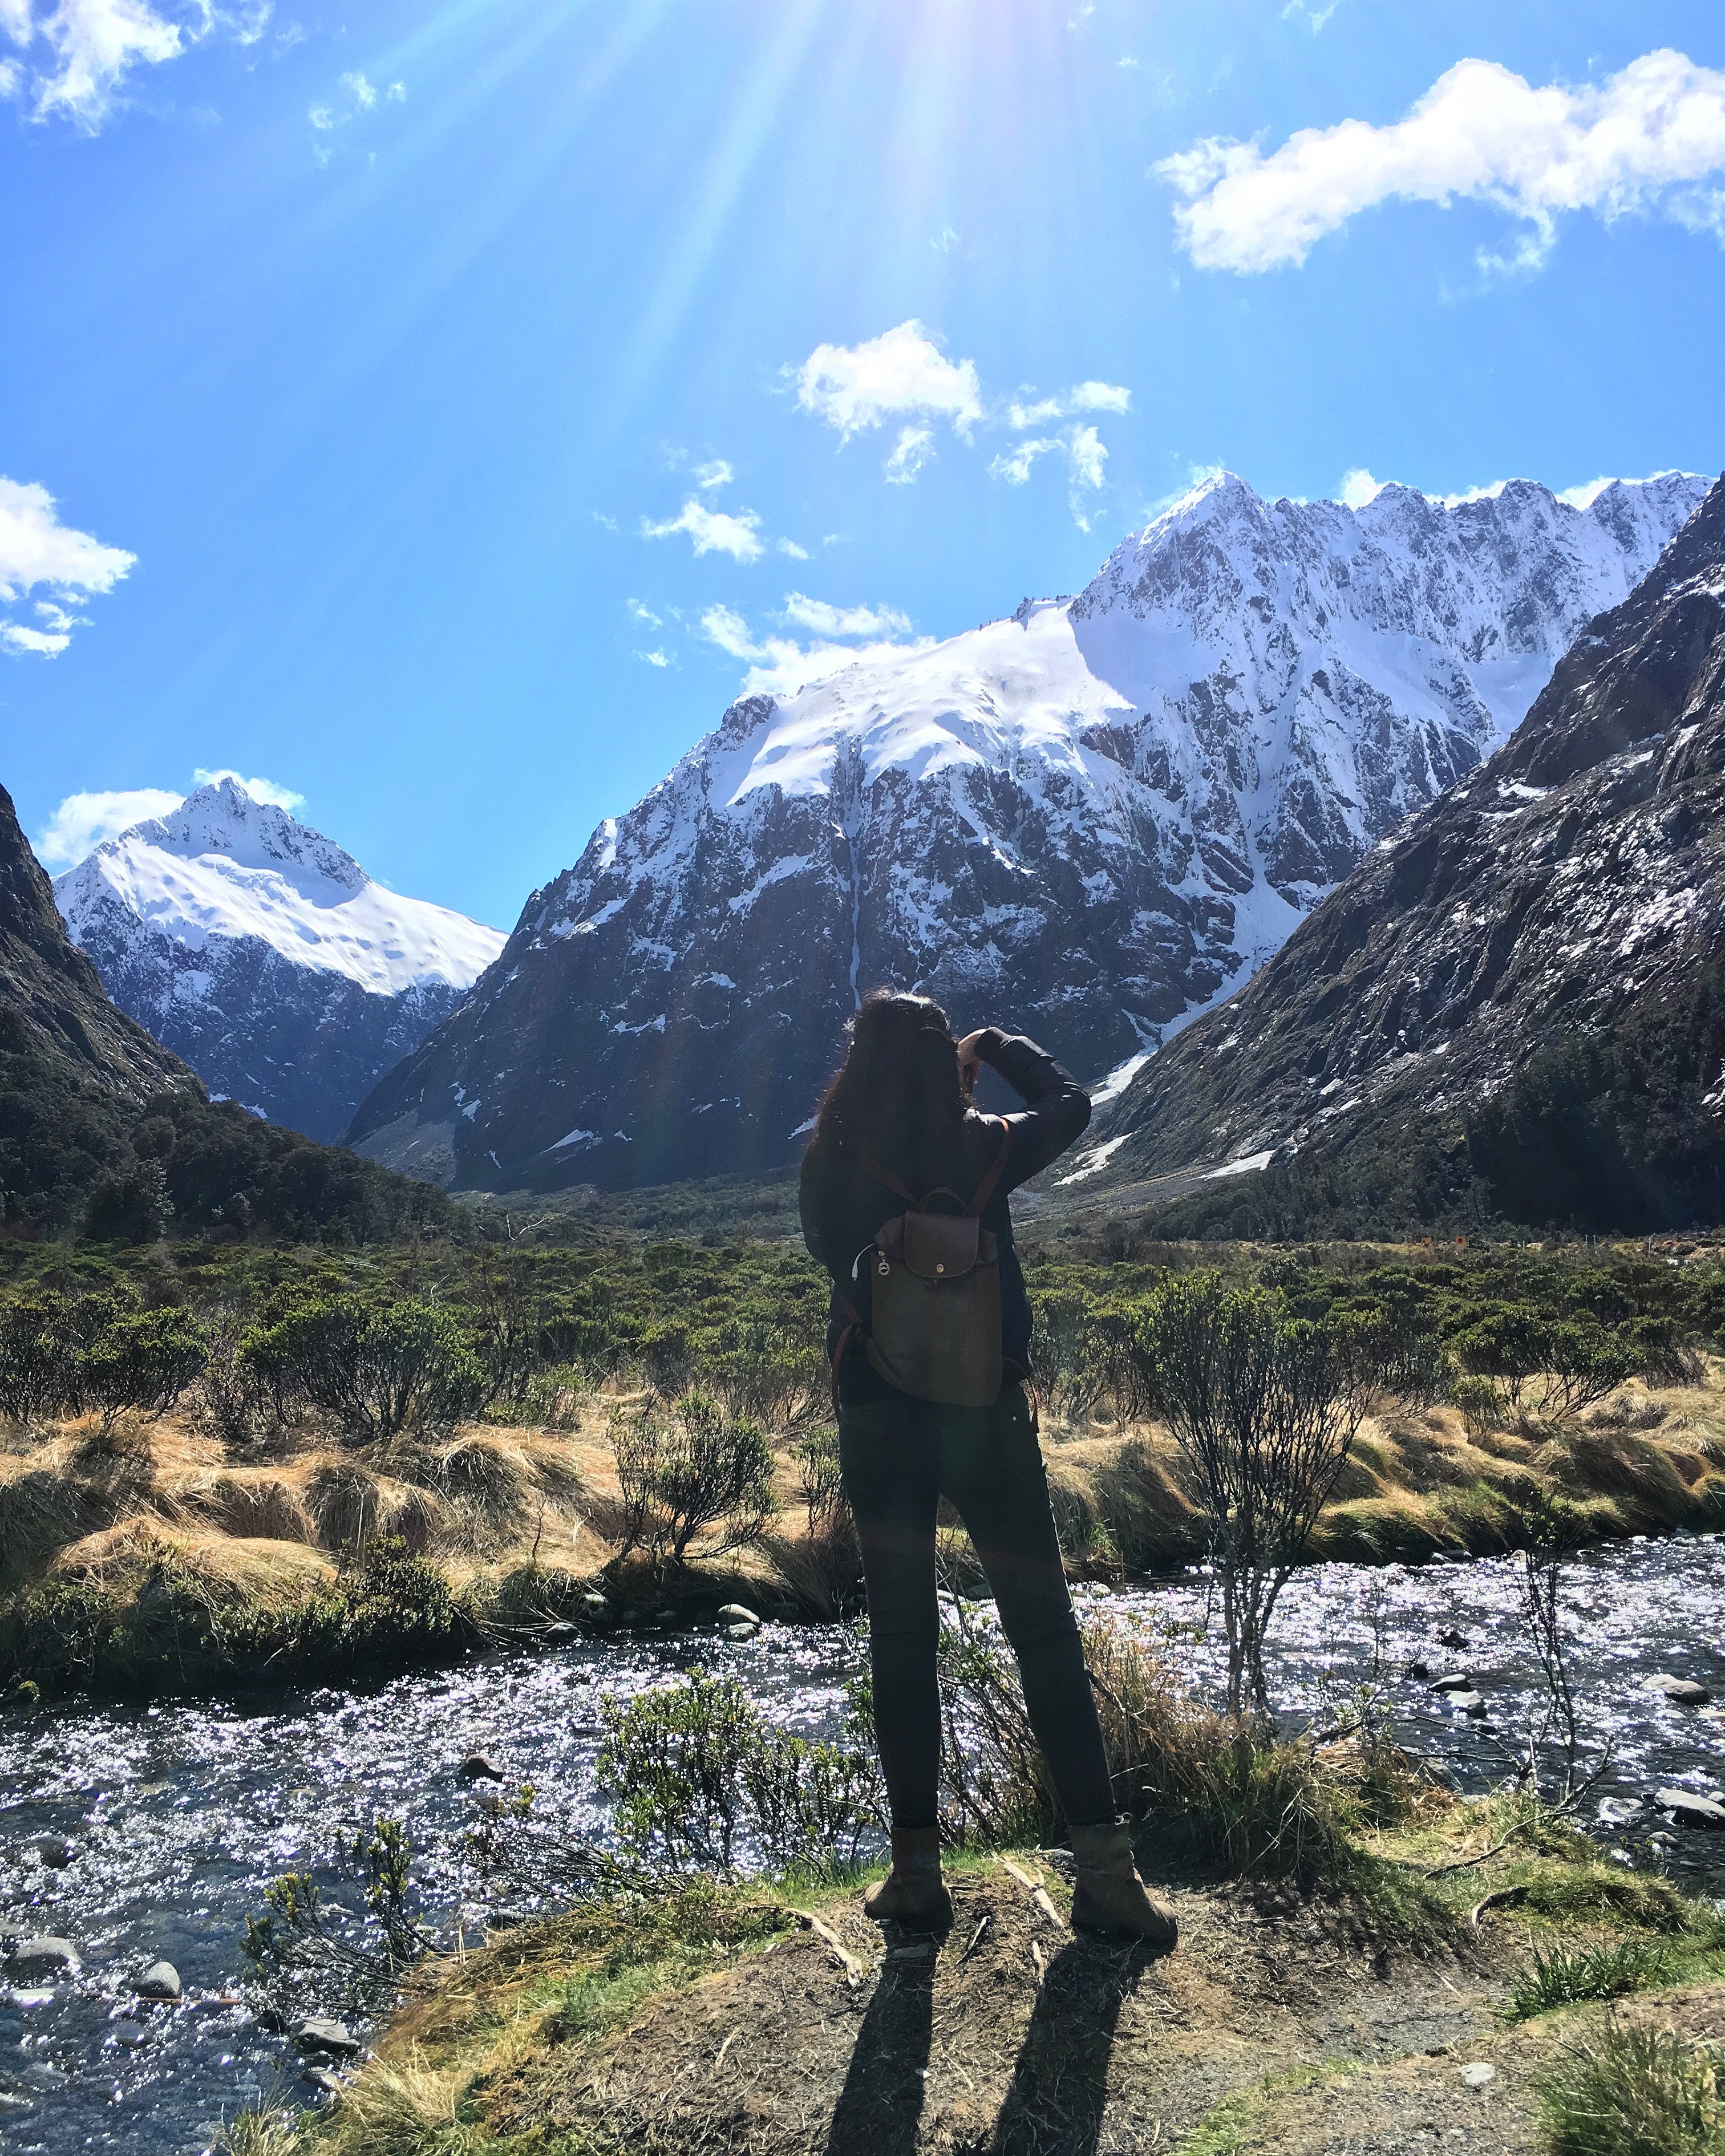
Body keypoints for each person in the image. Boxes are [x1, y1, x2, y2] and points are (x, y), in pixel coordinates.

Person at [799, 990, 1177, 1948]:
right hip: (990, 1417)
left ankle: (916, 1876)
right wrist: (998, 1045)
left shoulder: (831, 1159)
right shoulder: (989, 1145)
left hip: (879, 1419)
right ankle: (1105, 1875)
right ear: (943, 1063)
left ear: (858, 1059)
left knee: (901, 1638)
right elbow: (1074, 1104)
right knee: (1042, 1630)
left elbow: (830, 1261)